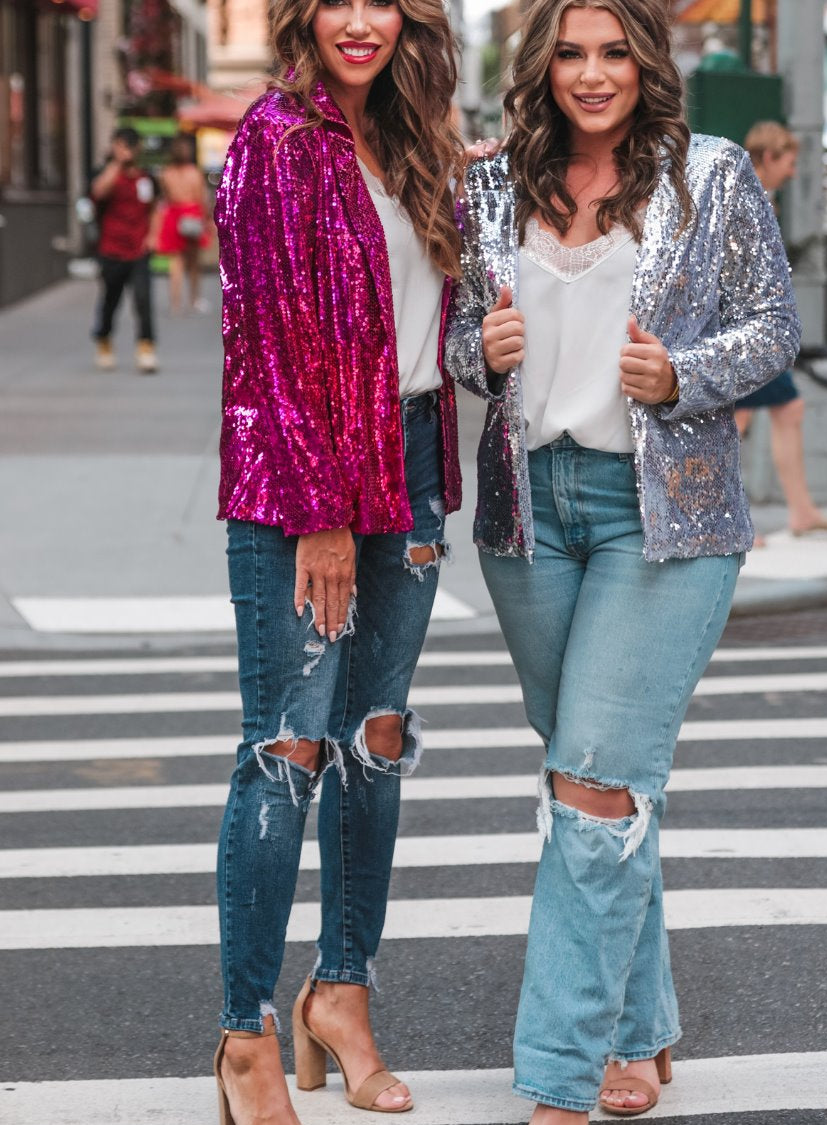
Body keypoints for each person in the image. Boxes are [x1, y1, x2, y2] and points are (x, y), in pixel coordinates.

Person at [445, 0, 800, 1119]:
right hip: (530, 520)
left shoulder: (712, 174)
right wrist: (481, 351)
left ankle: (558, 1073)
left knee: (594, 788)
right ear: (540, 66)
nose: (591, 75)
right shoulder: (492, 185)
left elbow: (771, 326)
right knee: (595, 781)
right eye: (570, 54)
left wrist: (678, 376)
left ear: (646, 65)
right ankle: (637, 1031)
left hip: (663, 515)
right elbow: (460, 337)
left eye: (612, 54)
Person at [213, 0, 463, 1122]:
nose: (360, 19)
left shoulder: (417, 135)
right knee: (287, 749)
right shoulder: (274, 139)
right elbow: (264, 341)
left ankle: (344, 993)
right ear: (302, 13)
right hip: (305, 478)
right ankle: (245, 1034)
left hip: (407, 460)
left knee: (375, 741)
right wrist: (319, 512)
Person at [735, 121, 827, 539]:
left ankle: (799, 511)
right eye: (789, 162)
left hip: (752, 332)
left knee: (769, 413)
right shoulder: (748, 199)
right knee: (743, 422)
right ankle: (738, 518)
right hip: (748, 334)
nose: (794, 172)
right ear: (768, 158)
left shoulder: (757, 197)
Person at [90, 126, 159, 373]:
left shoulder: (146, 178)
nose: (127, 150)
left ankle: (146, 347)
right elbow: (98, 191)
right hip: (111, 249)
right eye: (121, 145)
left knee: (143, 300)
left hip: (138, 249)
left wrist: (152, 236)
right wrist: (117, 163)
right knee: (111, 300)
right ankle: (104, 340)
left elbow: (154, 209)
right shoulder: (107, 174)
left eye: (130, 145)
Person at [157, 133, 212, 315]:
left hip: (174, 215)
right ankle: (194, 299)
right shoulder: (194, 173)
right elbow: (202, 198)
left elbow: (165, 198)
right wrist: (207, 220)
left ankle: (175, 303)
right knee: (194, 262)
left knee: (176, 262)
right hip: (192, 215)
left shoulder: (165, 173)